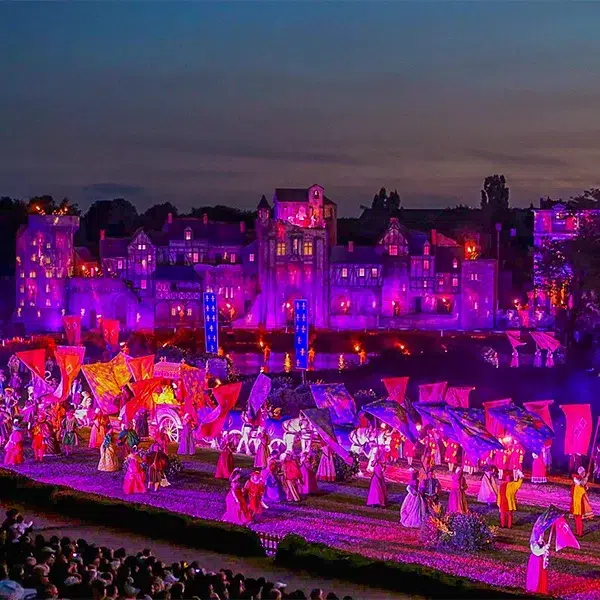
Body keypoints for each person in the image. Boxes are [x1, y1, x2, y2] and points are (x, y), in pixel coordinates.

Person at [570, 466, 593, 536]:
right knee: (578, 518)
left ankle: (579, 532)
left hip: (580, 501)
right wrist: (587, 477)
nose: (585, 473)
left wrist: (586, 484)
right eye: (584, 472)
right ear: (581, 472)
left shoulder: (580, 479)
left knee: (578, 518)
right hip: (577, 502)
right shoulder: (576, 479)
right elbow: (581, 483)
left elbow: (583, 487)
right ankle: (579, 532)